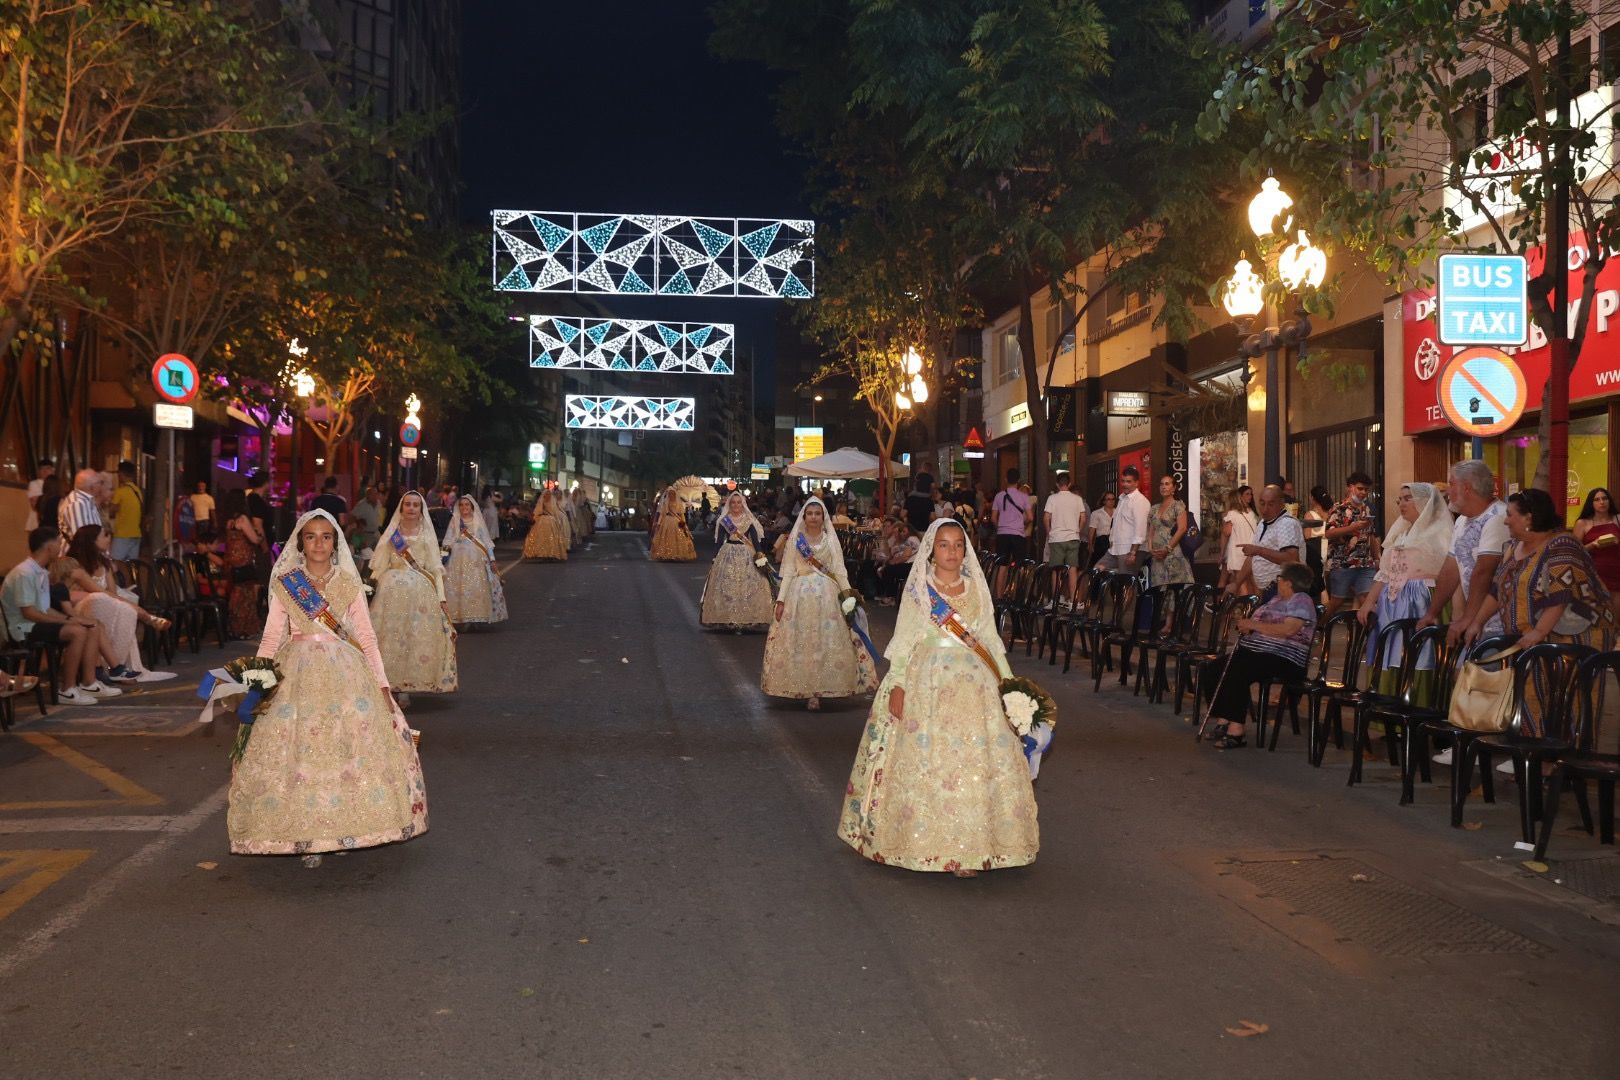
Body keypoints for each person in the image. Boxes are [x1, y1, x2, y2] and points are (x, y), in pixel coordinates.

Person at [838, 518, 1039, 875]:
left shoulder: (977, 588)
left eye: (958, 545)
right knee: (933, 762)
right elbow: (904, 641)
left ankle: (971, 847)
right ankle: (933, 844)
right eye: (944, 545)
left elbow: (990, 640)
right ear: (932, 549)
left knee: (976, 765)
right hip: (927, 682)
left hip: (976, 685)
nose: (952, 552)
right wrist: (898, 684)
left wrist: (1010, 686)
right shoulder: (919, 590)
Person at [229, 509, 427, 865]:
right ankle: (307, 834)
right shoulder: (287, 583)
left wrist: (382, 685)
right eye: (310, 536)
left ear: (335, 543)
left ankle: (340, 829)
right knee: (299, 757)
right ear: (300, 543)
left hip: (345, 675)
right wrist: (256, 686)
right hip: (296, 675)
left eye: (326, 536)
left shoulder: (349, 584)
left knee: (344, 754)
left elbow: (365, 636)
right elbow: (273, 636)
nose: (318, 543)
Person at [1459, 489, 1615, 733]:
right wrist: (1477, 622)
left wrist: (1539, 631)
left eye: (1510, 514)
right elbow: (1497, 589)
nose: (1505, 519)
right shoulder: (1512, 547)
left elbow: (1560, 595)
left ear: (1529, 518)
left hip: (1577, 635)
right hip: (1535, 636)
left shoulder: (1563, 544)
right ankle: (1536, 756)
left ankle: (1563, 761)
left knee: (1569, 699)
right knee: (1533, 693)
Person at [760, 496, 878, 710]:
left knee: (826, 643)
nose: (813, 517)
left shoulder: (830, 540)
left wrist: (848, 597)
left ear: (823, 517)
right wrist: (781, 600)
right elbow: (787, 572)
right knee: (802, 643)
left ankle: (824, 687)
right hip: (799, 597)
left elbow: (840, 571)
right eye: (810, 513)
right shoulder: (796, 540)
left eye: (817, 513)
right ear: (803, 517)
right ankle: (805, 689)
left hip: (828, 597)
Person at [1203, 563, 1319, 750]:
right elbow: (1258, 625)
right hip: (1258, 651)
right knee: (1215, 668)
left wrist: (1254, 626)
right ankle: (1224, 720)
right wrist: (1246, 626)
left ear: (1288, 583)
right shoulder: (1275, 600)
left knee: (1239, 672)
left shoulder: (1301, 600)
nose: (1277, 581)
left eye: (1279, 578)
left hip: (1284, 656)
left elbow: (1289, 629)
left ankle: (1236, 730)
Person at [2, 527, 119, 705]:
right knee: (77, 632)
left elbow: (44, 609)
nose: (60, 546)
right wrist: (67, 621)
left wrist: (73, 618)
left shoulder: (40, 571)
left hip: (33, 623)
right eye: (58, 542)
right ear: (49, 548)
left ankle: (89, 682)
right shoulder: (24, 573)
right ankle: (67, 690)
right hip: (21, 628)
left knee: (91, 625)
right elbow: (29, 613)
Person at [1356, 483, 1452, 701]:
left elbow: (1450, 574)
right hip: (1393, 603)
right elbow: (1386, 572)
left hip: (1422, 601)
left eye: (1408, 498)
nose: (1402, 503)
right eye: (1399, 499)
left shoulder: (1440, 534)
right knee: (1390, 653)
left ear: (1425, 502)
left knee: (1420, 655)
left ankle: (1419, 711)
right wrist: (1369, 601)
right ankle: (1390, 714)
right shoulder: (1400, 532)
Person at [369, 490, 458, 704]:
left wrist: (442, 598)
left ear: (421, 510)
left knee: (413, 638)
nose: (410, 508)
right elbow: (380, 563)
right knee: (390, 638)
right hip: (390, 593)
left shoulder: (426, 534)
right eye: (407, 504)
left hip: (419, 593)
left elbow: (435, 568)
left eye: (415, 505)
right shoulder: (392, 533)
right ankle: (387, 684)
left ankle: (406, 686)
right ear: (401, 508)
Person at [62, 524, 176, 682]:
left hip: (104, 604)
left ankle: (117, 665)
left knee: (120, 608)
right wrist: (139, 610)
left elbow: (111, 593)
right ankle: (112, 667)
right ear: (92, 540)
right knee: (101, 600)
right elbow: (99, 592)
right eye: (105, 536)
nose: (109, 539)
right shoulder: (74, 565)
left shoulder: (104, 563)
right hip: (78, 608)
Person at [1419, 459, 1509, 645]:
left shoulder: (1498, 518)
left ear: (1467, 487)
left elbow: (1484, 572)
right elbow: (1451, 568)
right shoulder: (1462, 520)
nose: (1448, 491)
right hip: (1476, 623)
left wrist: (1468, 618)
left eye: (1452, 484)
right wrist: (1432, 612)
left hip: (1498, 625)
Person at [701, 492, 775, 631]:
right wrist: (715, 557)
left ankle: (747, 617)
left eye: (738, 502)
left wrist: (760, 555)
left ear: (743, 504)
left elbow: (755, 541)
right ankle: (727, 617)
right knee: (727, 585)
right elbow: (719, 542)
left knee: (749, 586)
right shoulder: (724, 520)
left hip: (747, 553)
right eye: (733, 502)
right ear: (729, 504)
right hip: (728, 553)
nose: (736, 505)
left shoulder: (749, 520)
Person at [442, 495, 508, 627]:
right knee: (459, 588)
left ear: (472, 507)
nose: (464, 507)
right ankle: (460, 616)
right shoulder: (455, 521)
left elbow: (486, 542)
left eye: (467, 504)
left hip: (476, 561)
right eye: (461, 505)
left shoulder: (478, 520)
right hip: (457, 561)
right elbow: (448, 539)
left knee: (475, 588)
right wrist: (443, 556)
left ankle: (476, 616)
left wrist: (492, 559)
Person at [1230, 485, 1303, 600]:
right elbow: (1252, 557)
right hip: (1269, 592)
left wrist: (1259, 550)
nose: (1264, 509)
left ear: (1281, 503)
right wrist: (1236, 583)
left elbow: (1291, 558)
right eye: (1262, 503)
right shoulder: (1263, 523)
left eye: (1270, 504)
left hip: (1284, 591)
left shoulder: (1286, 524)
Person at [220, 489, 266, 639]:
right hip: (243, 561)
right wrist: (259, 535)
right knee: (246, 596)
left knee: (235, 593)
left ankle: (233, 627)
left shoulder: (228, 521)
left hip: (230, 560)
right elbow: (254, 539)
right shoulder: (242, 519)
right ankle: (244, 629)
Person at [1574, 487, 1620, 619]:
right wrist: (1593, 544)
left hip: (1616, 571)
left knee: (1616, 616)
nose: (1602, 502)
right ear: (1591, 503)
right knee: (1599, 616)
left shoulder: (1617, 519)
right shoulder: (1583, 523)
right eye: (1597, 499)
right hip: (1594, 573)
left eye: (1604, 498)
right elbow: (1575, 551)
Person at [1042, 472, 1088, 600]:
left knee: (1056, 570)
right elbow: (1083, 518)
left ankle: (1055, 599)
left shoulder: (1052, 499)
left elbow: (1046, 518)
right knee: (1073, 569)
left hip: (1057, 538)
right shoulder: (1078, 499)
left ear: (1057, 484)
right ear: (1069, 484)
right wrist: (1077, 530)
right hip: (1073, 538)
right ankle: (1073, 600)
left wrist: (1049, 532)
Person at [1147, 475, 1193, 587]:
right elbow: (1151, 530)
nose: (1163, 487)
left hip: (1173, 553)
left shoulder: (1178, 505)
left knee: (1175, 587)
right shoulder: (1154, 508)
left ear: (1173, 488)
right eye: (1161, 484)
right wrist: (1150, 549)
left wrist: (1167, 549)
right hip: (1157, 555)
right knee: (1159, 589)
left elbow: (1182, 529)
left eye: (1167, 484)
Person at [1101, 466, 1150, 571]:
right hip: (1115, 549)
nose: (1125, 484)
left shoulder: (1140, 501)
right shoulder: (1122, 498)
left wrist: (1133, 553)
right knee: (1096, 571)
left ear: (1136, 483)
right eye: (1123, 481)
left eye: (1128, 481)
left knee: (1126, 584)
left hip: (1130, 550)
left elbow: (1140, 530)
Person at [1219, 486, 1258, 593]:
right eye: (1247, 494)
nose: (1250, 496)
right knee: (1252, 583)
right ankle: (1253, 607)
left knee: (1241, 584)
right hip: (1251, 552)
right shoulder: (1252, 513)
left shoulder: (1231, 514)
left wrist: (1222, 553)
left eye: (1251, 494)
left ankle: (1244, 608)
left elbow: (1227, 532)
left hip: (1237, 552)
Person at [649, 489, 697, 562]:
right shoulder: (665, 502)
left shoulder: (678, 502)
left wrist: (683, 522)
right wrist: (658, 524)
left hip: (676, 520)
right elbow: (662, 514)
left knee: (679, 536)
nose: (671, 495)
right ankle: (667, 554)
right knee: (666, 537)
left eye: (672, 493)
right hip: (667, 520)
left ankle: (677, 554)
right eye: (670, 494)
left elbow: (681, 514)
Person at [521, 489, 569, 561]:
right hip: (545, 520)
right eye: (546, 494)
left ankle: (549, 553)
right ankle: (544, 553)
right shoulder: (545, 501)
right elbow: (540, 511)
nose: (547, 495)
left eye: (548, 494)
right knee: (544, 537)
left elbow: (552, 512)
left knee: (549, 537)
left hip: (548, 520)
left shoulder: (550, 501)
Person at [59, 467, 103, 541]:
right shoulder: (77, 504)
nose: (101, 486)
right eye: (100, 483)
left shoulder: (86, 500)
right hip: (80, 552)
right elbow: (82, 539)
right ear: (92, 487)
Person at [25, 457, 55, 538]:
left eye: (48, 468)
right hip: (35, 524)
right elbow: (35, 505)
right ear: (38, 471)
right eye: (42, 469)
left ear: (53, 470)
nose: (45, 471)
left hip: (51, 525)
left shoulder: (56, 485)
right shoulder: (34, 484)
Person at [351, 485, 385, 555]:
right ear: (367, 495)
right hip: (366, 535)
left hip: (376, 533)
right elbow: (352, 517)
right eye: (372, 494)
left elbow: (380, 516)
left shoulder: (379, 503)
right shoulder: (362, 505)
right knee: (367, 555)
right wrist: (357, 529)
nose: (375, 496)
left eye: (376, 494)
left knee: (379, 555)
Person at [1088, 490, 1116, 568]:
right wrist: (1090, 544)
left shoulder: (1118, 512)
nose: (1111, 501)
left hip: (1114, 541)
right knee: (1099, 563)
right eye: (1108, 499)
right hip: (1101, 541)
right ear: (1104, 501)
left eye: (1113, 499)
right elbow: (1092, 529)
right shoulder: (1096, 513)